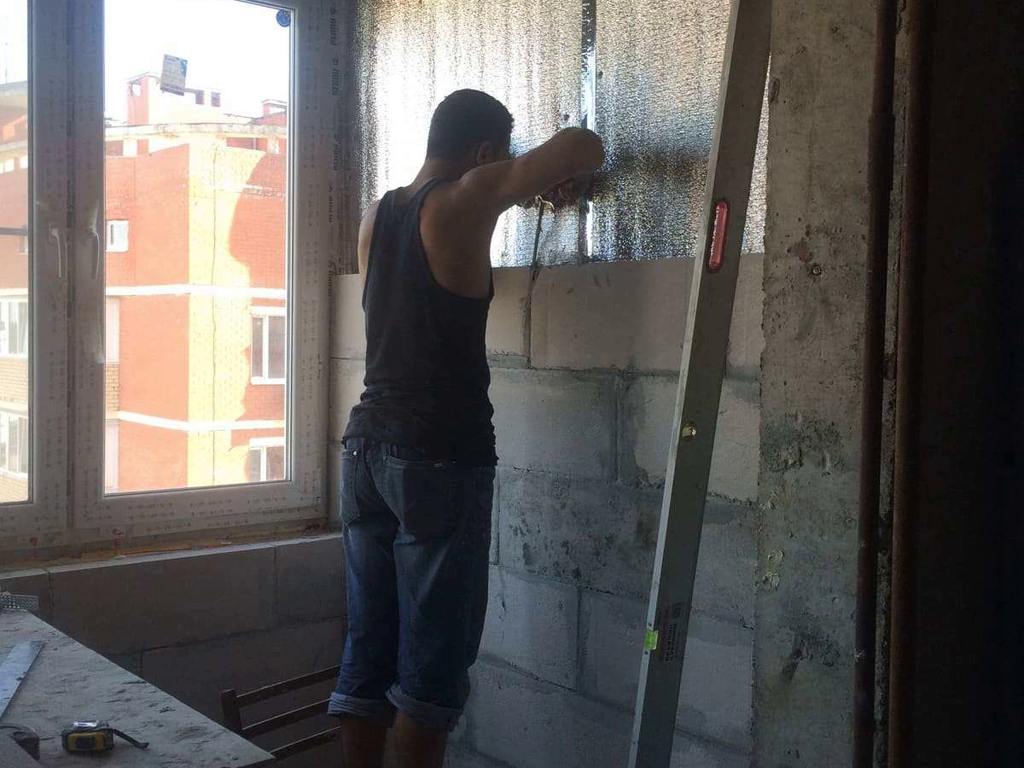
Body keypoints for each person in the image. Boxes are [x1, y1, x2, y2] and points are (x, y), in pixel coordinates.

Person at [329, 89, 604, 768]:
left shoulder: (376, 215)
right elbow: (585, 147)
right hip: (437, 456)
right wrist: (531, 176)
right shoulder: (466, 196)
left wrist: (521, 188)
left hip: (364, 452)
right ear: (483, 153)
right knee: (431, 678)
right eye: (497, 159)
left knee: (368, 656)